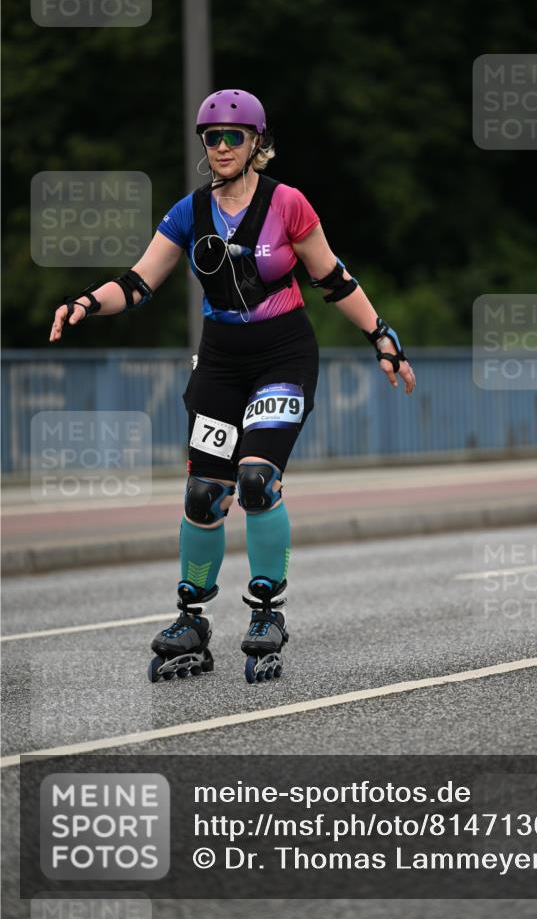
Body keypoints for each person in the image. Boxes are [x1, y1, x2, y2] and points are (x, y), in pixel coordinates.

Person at [49, 88, 416, 684]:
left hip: (283, 352)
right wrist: (86, 303)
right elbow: (138, 283)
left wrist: (383, 336)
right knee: (202, 493)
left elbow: (334, 279)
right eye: (211, 138)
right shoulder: (188, 213)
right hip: (220, 359)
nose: (220, 147)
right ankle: (191, 619)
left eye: (233, 137)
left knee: (255, 479)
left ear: (257, 144)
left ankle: (267, 610)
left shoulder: (287, 204)